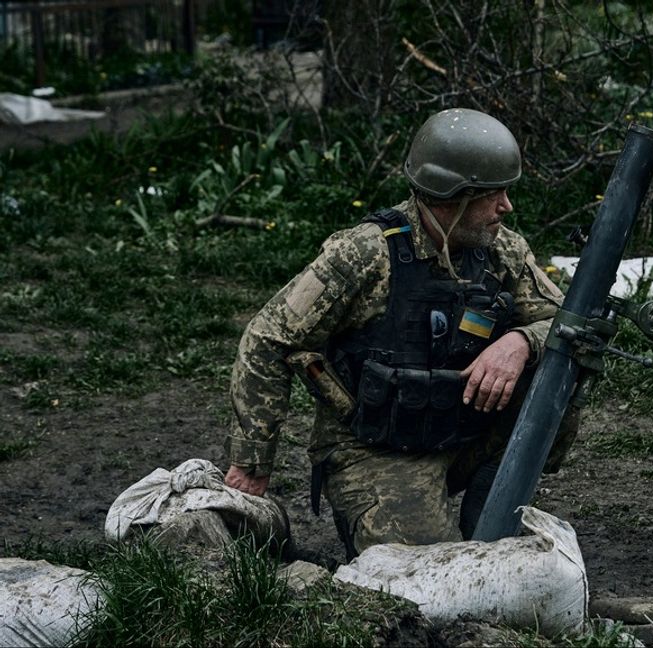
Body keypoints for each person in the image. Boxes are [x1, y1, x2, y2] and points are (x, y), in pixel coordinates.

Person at [223, 108, 577, 557]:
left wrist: (521, 342)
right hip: (377, 449)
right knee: (430, 584)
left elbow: (572, 325)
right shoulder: (364, 255)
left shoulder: (501, 249)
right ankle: (384, 512)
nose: (507, 206)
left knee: (563, 371)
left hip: (462, 433)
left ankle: (492, 503)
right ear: (453, 197)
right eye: (493, 194)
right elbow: (268, 338)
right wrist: (251, 464)